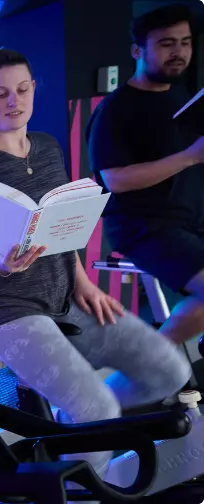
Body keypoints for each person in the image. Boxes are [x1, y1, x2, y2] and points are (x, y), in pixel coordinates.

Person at [0, 47, 191, 480]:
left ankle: (75, 426)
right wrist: (0, 264)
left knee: (169, 369)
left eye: (21, 90)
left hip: (64, 297)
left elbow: (58, 228)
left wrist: (83, 282)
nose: (13, 101)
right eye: (0, 94)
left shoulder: (49, 149)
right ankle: (72, 483)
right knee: (97, 407)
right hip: (3, 311)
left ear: (34, 89)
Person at [87, 4, 204, 347]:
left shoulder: (182, 99)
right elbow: (116, 181)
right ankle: (146, 369)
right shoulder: (115, 110)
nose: (179, 52)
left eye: (185, 42)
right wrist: (188, 157)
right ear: (138, 51)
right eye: (167, 44)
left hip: (192, 220)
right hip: (145, 228)